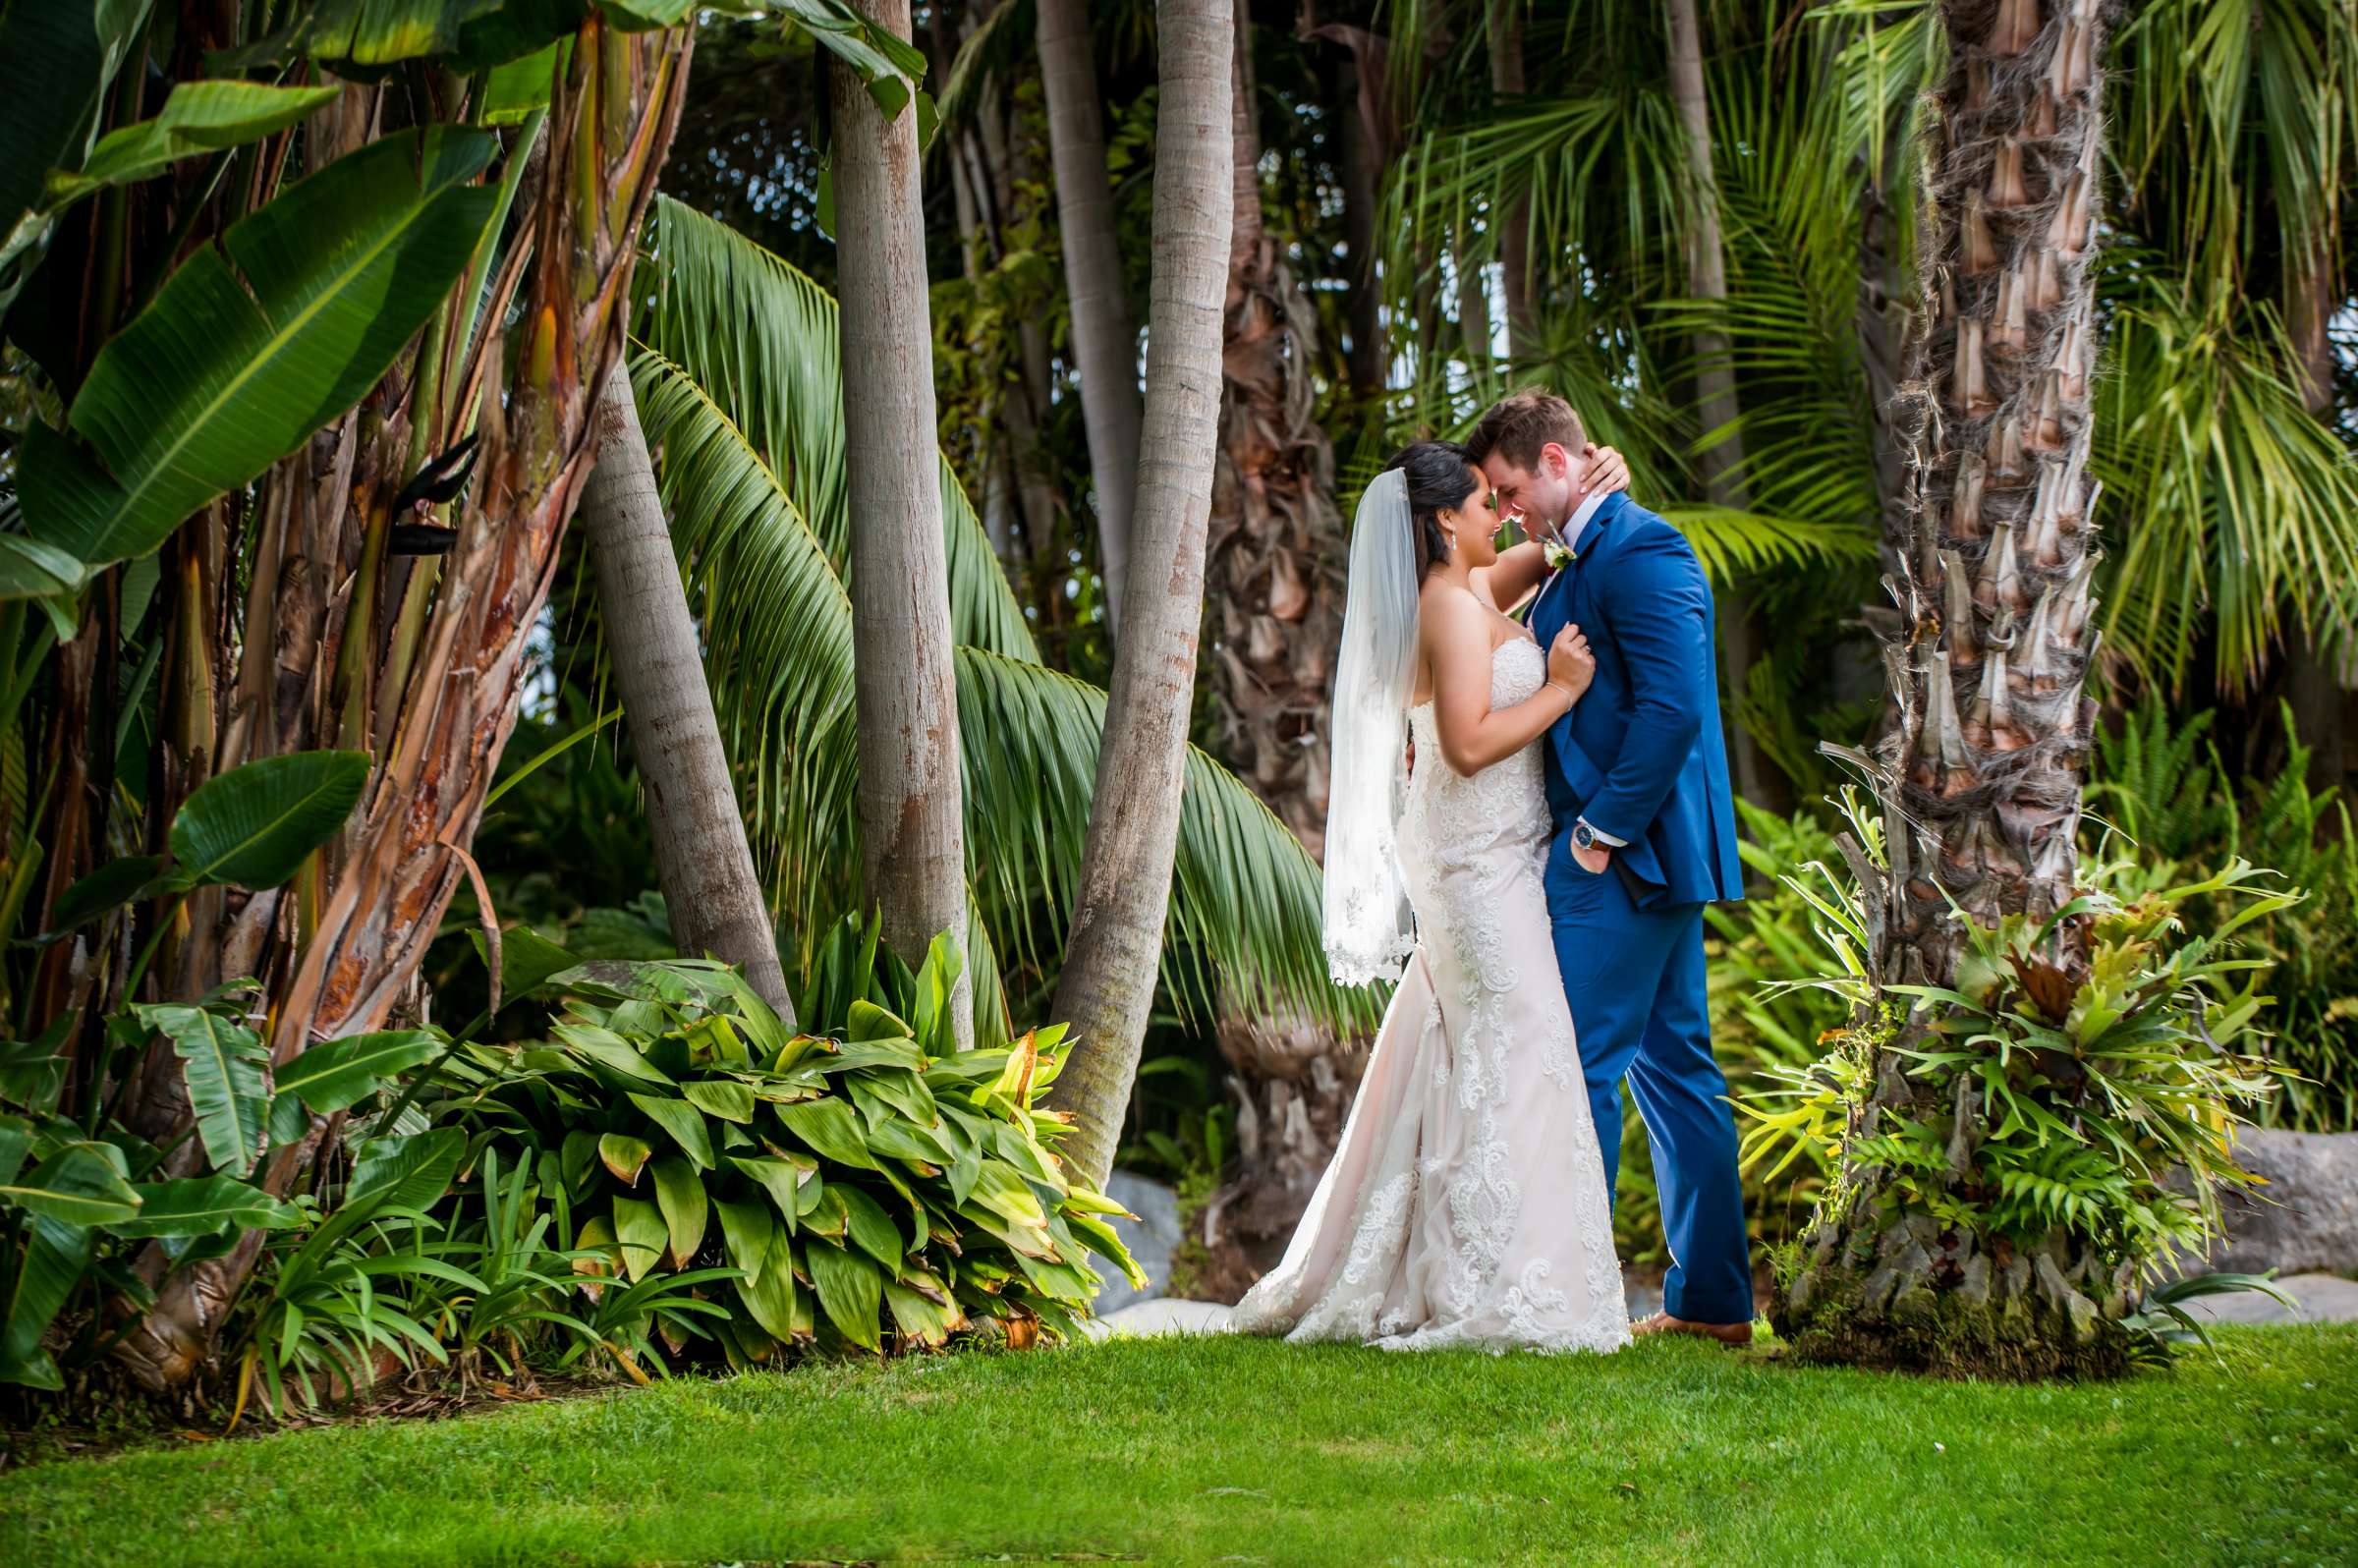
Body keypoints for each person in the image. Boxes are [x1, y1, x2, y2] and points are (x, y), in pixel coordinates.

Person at [1228, 437, 1633, 1353]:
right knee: (1521, 1038)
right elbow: (1467, 744)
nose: (1502, 515)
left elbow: (1550, 549)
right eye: (1489, 502)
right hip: (1473, 864)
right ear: (1445, 518)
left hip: (1486, 852)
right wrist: (1564, 688)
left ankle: (1477, 1263)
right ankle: (1501, 1279)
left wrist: (1587, 500)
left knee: (1483, 1049)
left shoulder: (1467, 592)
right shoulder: (1449, 608)